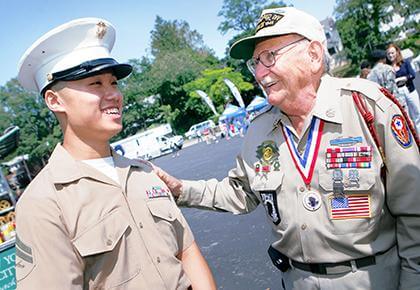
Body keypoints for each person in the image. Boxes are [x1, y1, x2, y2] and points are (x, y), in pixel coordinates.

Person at [154, 7, 420, 290]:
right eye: (255, 62)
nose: (258, 72)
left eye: (270, 57)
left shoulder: (366, 108)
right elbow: (239, 193)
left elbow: (414, 211)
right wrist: (180, 190)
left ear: (314, 55)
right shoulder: (259, 130)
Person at [15, 18, 216, 290]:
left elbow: (188, 252)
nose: (113, 94)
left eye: (114, 82)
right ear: (55, 100)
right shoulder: (44, 203)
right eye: (96, 83)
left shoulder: (144, 172)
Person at [387, 43, 420, 133]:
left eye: (392, 53)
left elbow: (412, 75)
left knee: (417, 114)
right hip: (398, 93)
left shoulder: (405, 63)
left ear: (397, 52)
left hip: (409, 89)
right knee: (406, 117)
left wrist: (404, 78)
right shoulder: (388, 68)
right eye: (389, 54)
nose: (391, 55)